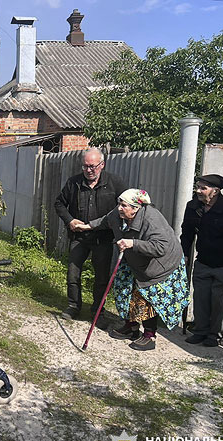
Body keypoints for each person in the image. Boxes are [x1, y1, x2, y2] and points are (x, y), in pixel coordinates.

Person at [77, 189, 189, 351]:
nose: (119, 208)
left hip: (159, 265)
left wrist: (133, 243)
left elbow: (161, 247)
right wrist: (87, 226)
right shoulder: (118, 214)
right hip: (134, 259)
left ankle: (150, 336)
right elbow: (106, 220)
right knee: (123, 290)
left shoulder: (152, 219)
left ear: (136, 208)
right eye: (119, 204)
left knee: (145, 298)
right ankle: (131, 327)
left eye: (124, 206)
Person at [54, 148, 127, 328]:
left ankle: (98, 312)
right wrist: (69, 220)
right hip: (79, 237)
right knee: (73, 272)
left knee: (101, 277)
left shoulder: (114, 183)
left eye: (92, 166)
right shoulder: (74, 183)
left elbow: (127, 205)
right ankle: (73, 306)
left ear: (102, 165)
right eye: (85, 166)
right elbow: (59, 204)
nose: (89, 170)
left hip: (103, 238)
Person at [180, 174, 223, 347]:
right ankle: (200, 331)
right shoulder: (193, 206)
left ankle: (215, 335)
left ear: (215, 191)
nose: (198, 191)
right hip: (203, 260)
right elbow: (187, 232)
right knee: (200, 297)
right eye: (198, 187)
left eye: (203, 188)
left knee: (221, 300)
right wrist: (185, 253)